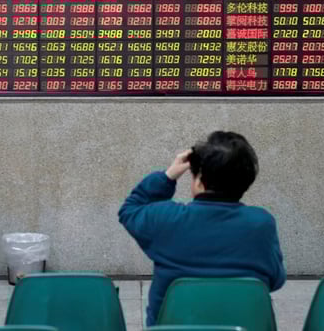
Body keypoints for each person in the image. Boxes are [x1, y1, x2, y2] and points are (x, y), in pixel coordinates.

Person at [118, 131, 286, 326]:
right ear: (246, 181)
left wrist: (168, 176)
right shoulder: (262, 224)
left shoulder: (167, 219)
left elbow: (130, 210)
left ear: (199, 180)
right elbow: (276, 279)